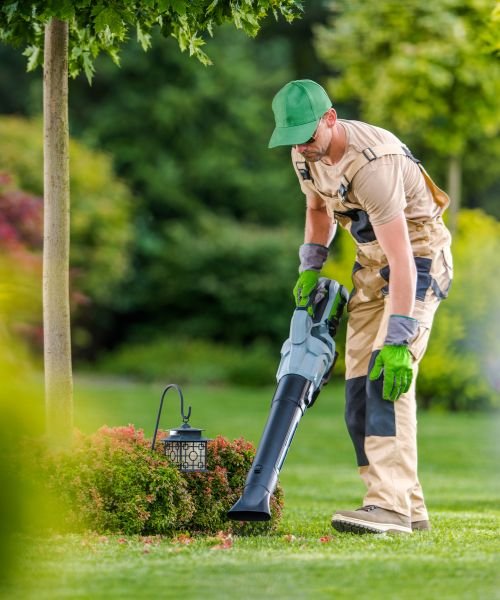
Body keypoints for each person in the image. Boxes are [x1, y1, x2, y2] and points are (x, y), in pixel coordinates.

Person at [269, 79, 453, 535]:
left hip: (416, 259)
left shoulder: (374, 163)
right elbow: (317, 211)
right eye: (293, 140)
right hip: (370, 264)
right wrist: (310, 265)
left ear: (330, 118)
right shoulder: (304, 151)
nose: (303, 149)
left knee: (385, 379)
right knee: (356, 393)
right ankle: (409, 508)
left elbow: (404, 259)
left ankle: (387, 507)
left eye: (309, 137)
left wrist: (398, 338)